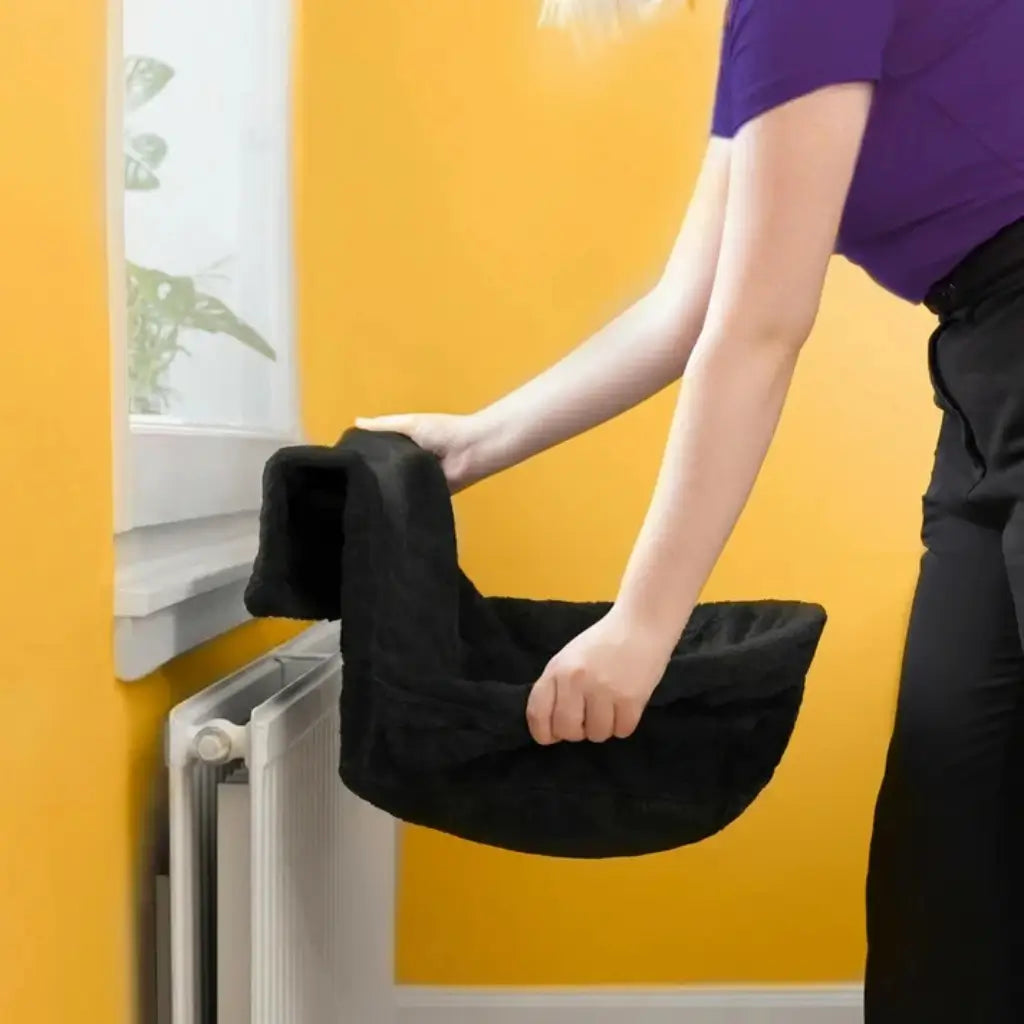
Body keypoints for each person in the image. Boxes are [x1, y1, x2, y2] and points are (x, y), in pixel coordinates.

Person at [357, 0, 1024, 1018]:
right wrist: (480, 439)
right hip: (984, 381)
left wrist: (642, 623)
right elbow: (692, 304)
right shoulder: (767, 29)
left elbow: (761, 329)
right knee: (950, 844)